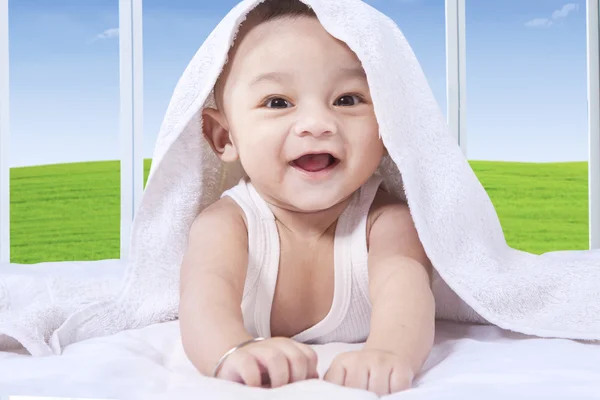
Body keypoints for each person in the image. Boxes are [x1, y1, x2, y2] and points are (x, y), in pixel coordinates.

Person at [179, 0, 435, 395]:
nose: (317, 124)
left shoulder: (385, 223)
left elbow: (407, 294)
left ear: (388, 126)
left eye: (347, 99)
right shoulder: (227, 224)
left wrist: (387, 352)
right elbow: (202, 302)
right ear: (224, 137)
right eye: (278, 102)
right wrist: (234, 351)